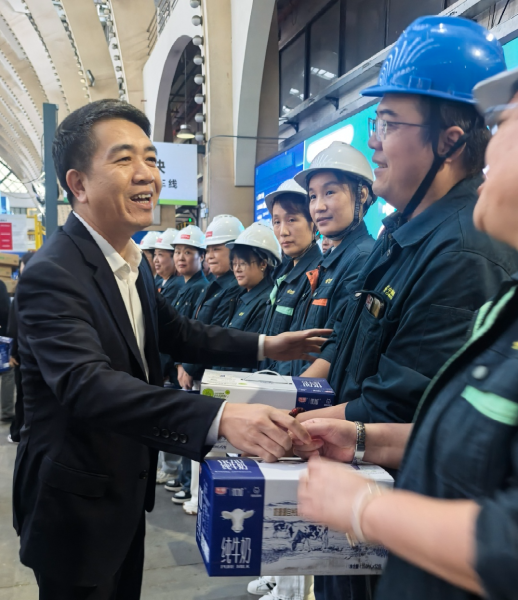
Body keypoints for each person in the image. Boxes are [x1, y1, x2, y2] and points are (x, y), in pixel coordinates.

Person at [11, 98, 331, 600]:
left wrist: (267, 344)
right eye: (124, 159)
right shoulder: (54, 274)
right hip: (74, 504)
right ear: (78, 184)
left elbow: (179, 332)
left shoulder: (131, 262)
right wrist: (220, 417)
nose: (147, 175)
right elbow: (87, 385)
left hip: (122, 491)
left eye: (151, 159)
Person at [298, 16, 518, 600]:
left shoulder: (465, 253)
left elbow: (402, 399)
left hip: (405, 534)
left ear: (449, 139)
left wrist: (367, 505)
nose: (373, 140)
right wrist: (345, 437)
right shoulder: (402, 234)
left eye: (390, 123)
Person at [286, 142, 376, 377]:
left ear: (362, 195)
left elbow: (338, 345)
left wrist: (294, 392)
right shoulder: (330, 261)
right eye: (313, 196)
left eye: (330, 192)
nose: (318, 207)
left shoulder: (363, 258)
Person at [260, 178, 322, 371]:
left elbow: (303, 353)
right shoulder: (281, 275)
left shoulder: (317, 276)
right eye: (276, 222)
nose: (283, 231)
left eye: (292, 220)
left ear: (313, 222)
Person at [177, 214, 244, 391]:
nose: (210, 256)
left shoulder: (235, 287)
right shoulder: (213, 284)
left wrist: (189, 367)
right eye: (208, 250)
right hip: (198, 374)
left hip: (208, 375)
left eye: (216, 249)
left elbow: (214, 332)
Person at [7, 252, 35, 443]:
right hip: (41, 353)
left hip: (24, 353)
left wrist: (13, 353)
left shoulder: (23, 291)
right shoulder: (49, 289)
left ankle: (18, 432)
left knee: (24, 395)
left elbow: (15, 327)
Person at [153, 228, 184, 302]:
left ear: (174, 257)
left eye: (160, 254)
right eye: (155, 255)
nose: (155, 260)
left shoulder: (177, 284)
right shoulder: (160, 282)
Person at [0, 277, 12, 423]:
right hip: (2, 336)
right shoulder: (0, 285)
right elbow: (5, 311)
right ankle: (7, 411)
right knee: (7, 372)